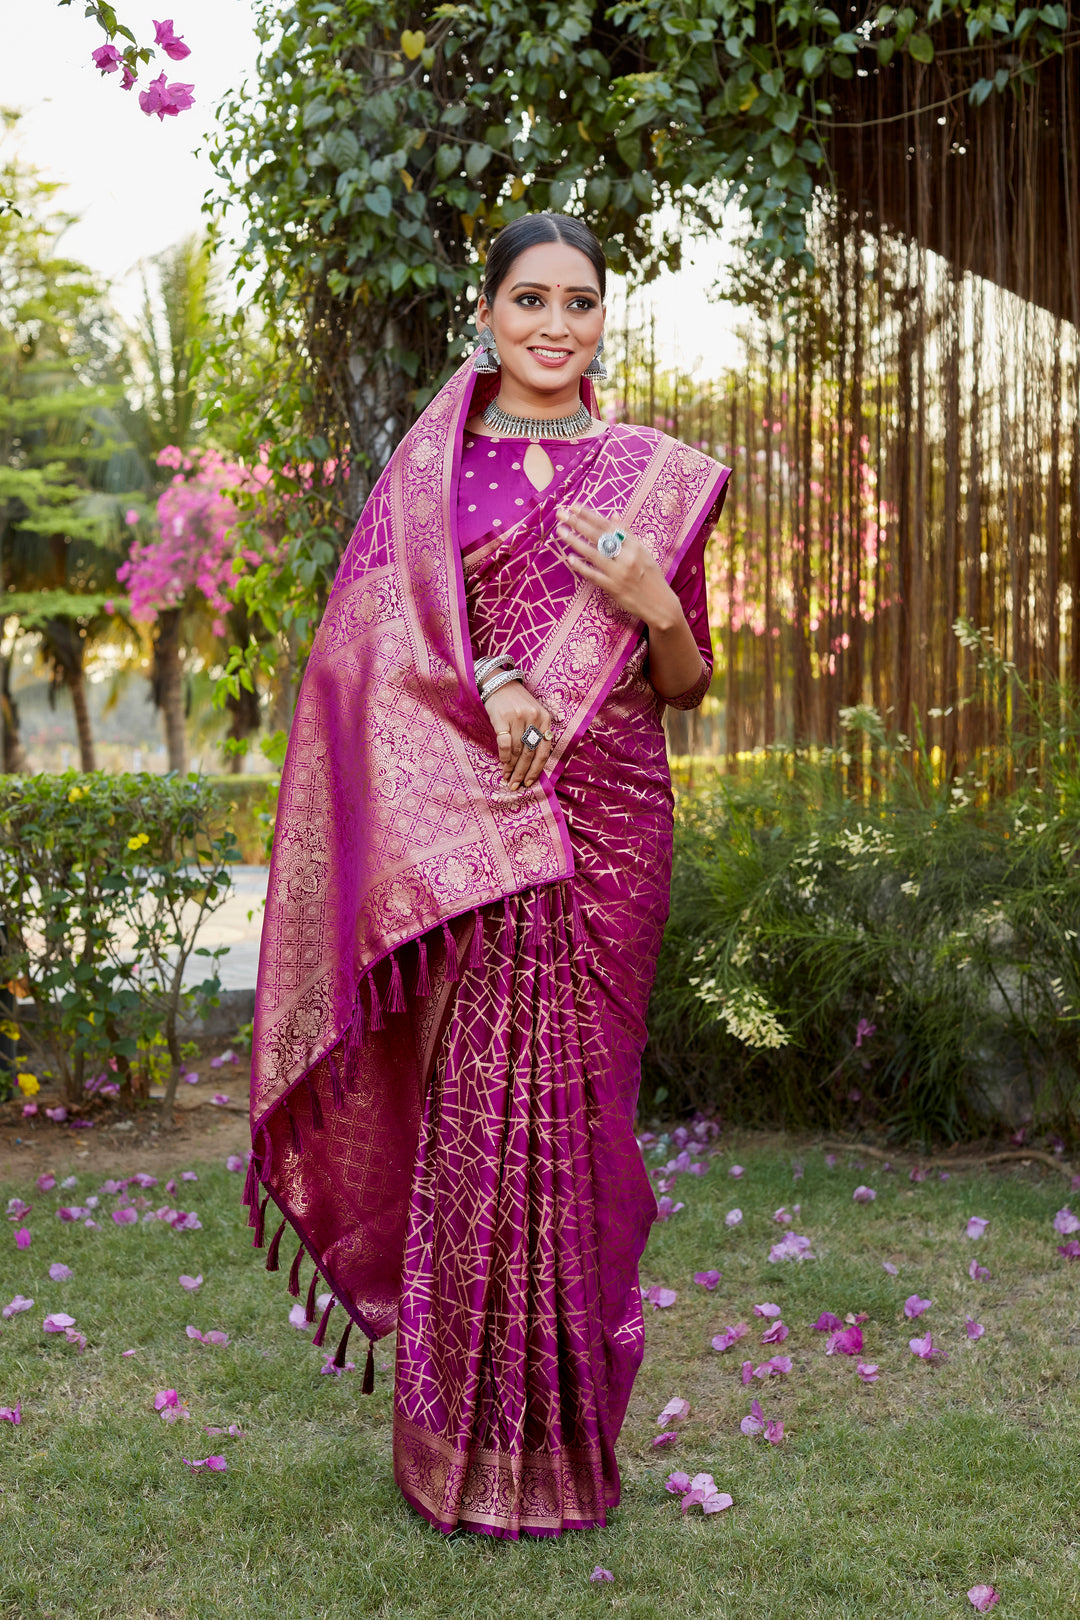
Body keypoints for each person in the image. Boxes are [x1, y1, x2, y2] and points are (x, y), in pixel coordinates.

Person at [247, 212, 730, 1539]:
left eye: (579, 303)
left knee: (581, 1121)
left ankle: (569, 1449)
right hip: (481, 823)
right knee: (482, 1121)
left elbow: (684, 688)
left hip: (617, 811)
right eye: (531, 300)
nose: (555, 327)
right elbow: (366, 659)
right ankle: (458, 1449)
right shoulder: (434, 472)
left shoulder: (647, 477)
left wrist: (657, 606)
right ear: (489, 312)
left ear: (600, 323)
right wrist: (497, 676)